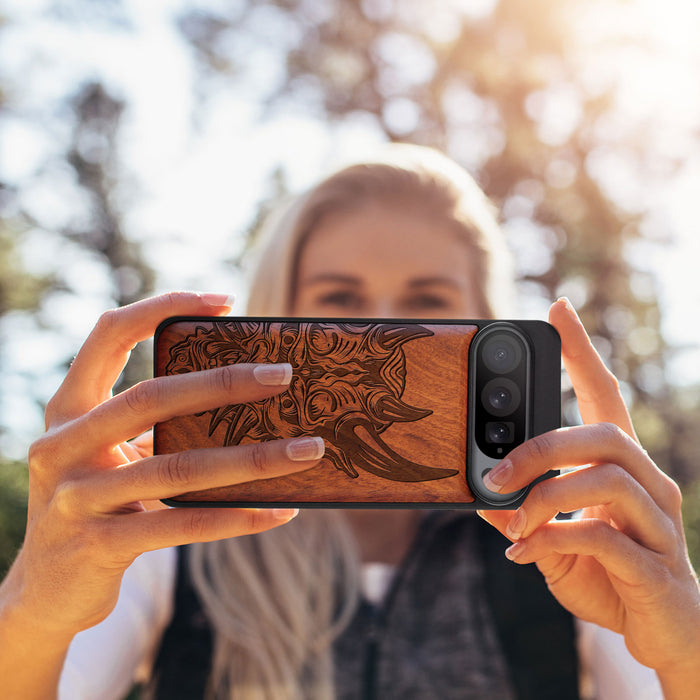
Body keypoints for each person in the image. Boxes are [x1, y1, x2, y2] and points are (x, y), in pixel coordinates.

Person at [0, 145, 698, 700]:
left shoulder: (567, 545)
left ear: (488, 323)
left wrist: (685, 648)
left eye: (428, 300)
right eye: (340, 300)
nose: (384, 327)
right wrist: (34, 607)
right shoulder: (170, 536)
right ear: (278, 315)